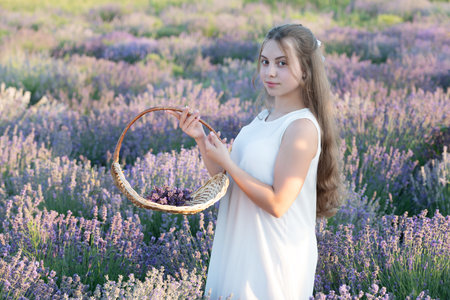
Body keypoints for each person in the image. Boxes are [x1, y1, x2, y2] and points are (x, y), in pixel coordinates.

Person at [168, 23, 342, 300]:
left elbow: (277, 203)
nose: (270, 72)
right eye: (265, 62)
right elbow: (226, 181)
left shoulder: (301, 128)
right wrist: (202, 140)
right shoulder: (262, 119)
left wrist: (230, 163)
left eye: (282, 63)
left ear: (306, 70)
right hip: (239, 243)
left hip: (271, 257)